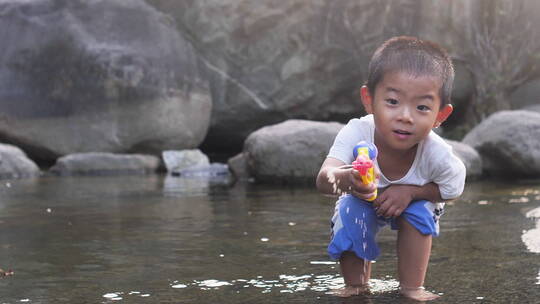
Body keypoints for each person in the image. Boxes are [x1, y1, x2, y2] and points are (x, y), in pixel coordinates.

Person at [316, 36, 466, 301]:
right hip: (361, 199)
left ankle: (412, 286)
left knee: (418, 215)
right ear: (369, 99)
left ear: (439, 116)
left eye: (422, 107)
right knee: (350, 211)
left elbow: (452, 188)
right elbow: (324, 179)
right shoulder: (357, 132)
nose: (405, 116)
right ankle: (357, 284)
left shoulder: (438, 153)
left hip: (414, 200)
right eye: (393, 102)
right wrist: (349, 180)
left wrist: (410, 193)